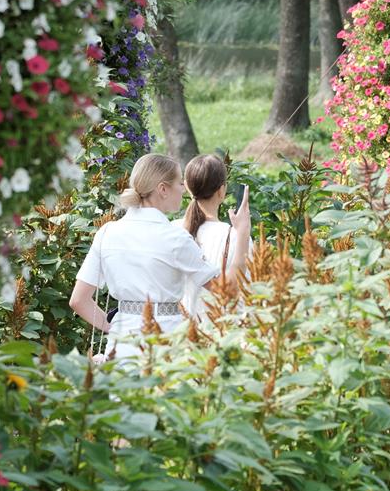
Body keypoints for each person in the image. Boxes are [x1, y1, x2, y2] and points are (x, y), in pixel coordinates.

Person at [69, 153, 251, 360]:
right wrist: (243, 234)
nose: (184, 190)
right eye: (179, 183)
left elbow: (78, 300)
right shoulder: (175, 238)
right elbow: (227, 293)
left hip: (120, 348)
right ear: (163, 189)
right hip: (166, 347)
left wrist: (114, 328)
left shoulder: (107, 232)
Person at [172, 154, 254, 321]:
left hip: (180, 334)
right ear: (222, 190)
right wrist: (243, 233)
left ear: (187, 186)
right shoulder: (238, 237)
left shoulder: (172, 230)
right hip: (221, 334)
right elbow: (248, 291)